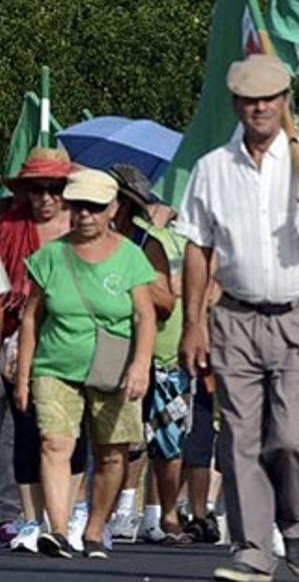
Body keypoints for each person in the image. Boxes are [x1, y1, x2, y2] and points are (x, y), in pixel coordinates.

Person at [177, 54, 299, 582]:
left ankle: (298, 523)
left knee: (290, 438)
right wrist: (193, 323)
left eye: (270, 98)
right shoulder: (212, 169)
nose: (260, 107)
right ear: (237, 104)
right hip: (234, 315)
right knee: (239, 439)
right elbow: (197, 250)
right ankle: (254, 548)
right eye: (250, 99)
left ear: (285, 103)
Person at [12, 169, 157, 558]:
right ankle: (58, 531)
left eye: (94, 208)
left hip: (114, 367)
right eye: (77, 206)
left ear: (113, 208)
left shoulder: (130, 256)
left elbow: (145, 314)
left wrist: (141, 364)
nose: (85, 216)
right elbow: (31, 318)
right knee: (54, 443)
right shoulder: (50, 257)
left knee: (112, 453)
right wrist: (24, 377)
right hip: (55, 365)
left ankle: (94, 529)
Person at [0, 148, 88, 554]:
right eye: (38, 188)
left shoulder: (84, 226)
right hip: (11, 335)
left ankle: (65, 516)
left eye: (55, 188)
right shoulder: (7, 227)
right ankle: (25, 516)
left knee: (66, 432)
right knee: (21, 430)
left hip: (69, 342)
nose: (47, 197)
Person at [108, 165, 194, 545]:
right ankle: (121, 511)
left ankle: (163, 516)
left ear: (123, 205)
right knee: (119, 437)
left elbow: (163, 300)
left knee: (165, 438)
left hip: (159, 357)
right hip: (111, 353)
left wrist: (126, 284)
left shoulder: (147, 244)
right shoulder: (92, 243)